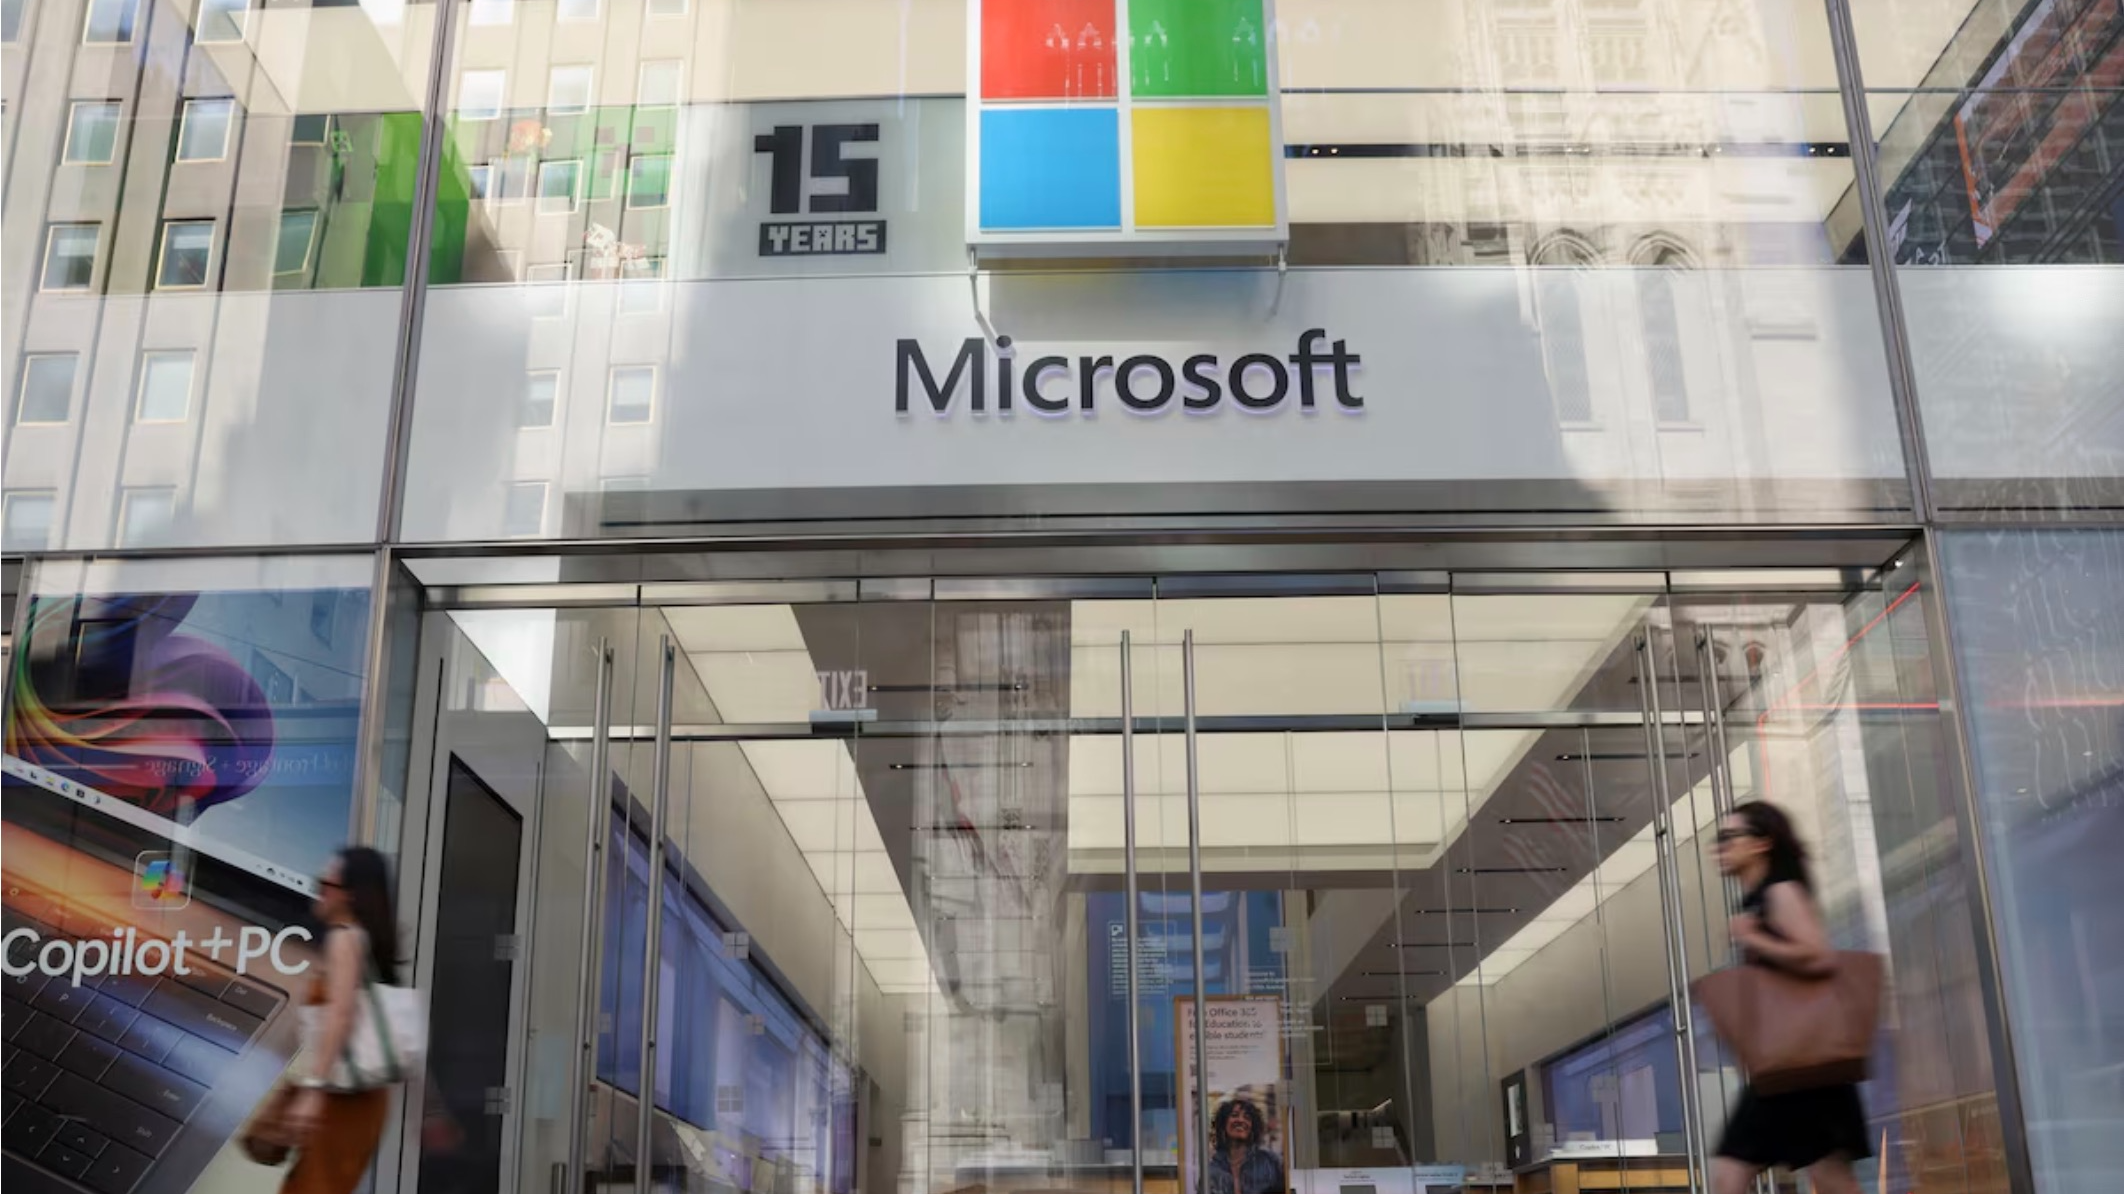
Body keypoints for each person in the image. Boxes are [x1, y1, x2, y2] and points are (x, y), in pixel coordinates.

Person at [1711, 801, 1869, 1194]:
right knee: (1827, 1176)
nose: (1720, 846)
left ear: (1762, 843)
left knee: (1733, 1174)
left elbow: (1818, 955)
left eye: (1729, 837)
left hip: (1801, 1063)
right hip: (1793, 1063)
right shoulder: (1760, 899)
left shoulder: (1780, 892)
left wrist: (1753, 938)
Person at [283, 847, 401, 1194]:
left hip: (340, 1096)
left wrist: (313, 1091)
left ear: (349, 893)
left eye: (326, 882)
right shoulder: (365, 941)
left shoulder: (345, 938)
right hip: (361, 1096)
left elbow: (340, 1013)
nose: (317, 888)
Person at [1206, 1097, 1286, 1194]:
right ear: (1223, 1124)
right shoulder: (1212, 1169)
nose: (1240, 1120)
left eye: (1247, 1117)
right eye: (1234, 1115)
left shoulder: (1270, 1162)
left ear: (1253, 1127)